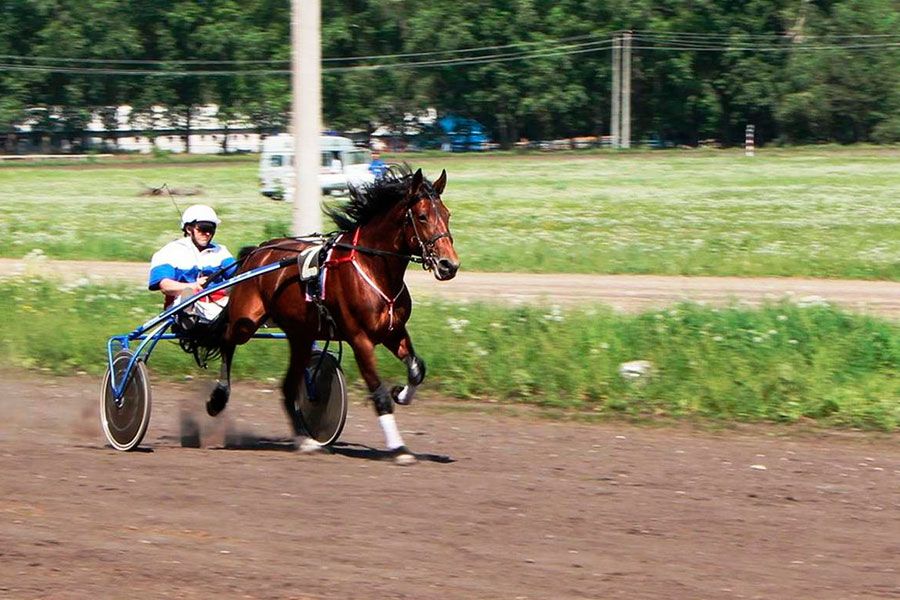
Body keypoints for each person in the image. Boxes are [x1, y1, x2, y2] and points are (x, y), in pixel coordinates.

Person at [148, 204, 236, 322]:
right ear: (189, 229)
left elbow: (238, 275)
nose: (208, 233)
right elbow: (165, 286)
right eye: (203, 229)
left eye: (211, 229)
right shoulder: (169, 251)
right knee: (187, 295)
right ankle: (190, 319)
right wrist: (194, 286)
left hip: (218, 304)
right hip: (182, 305)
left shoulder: (221, 251)